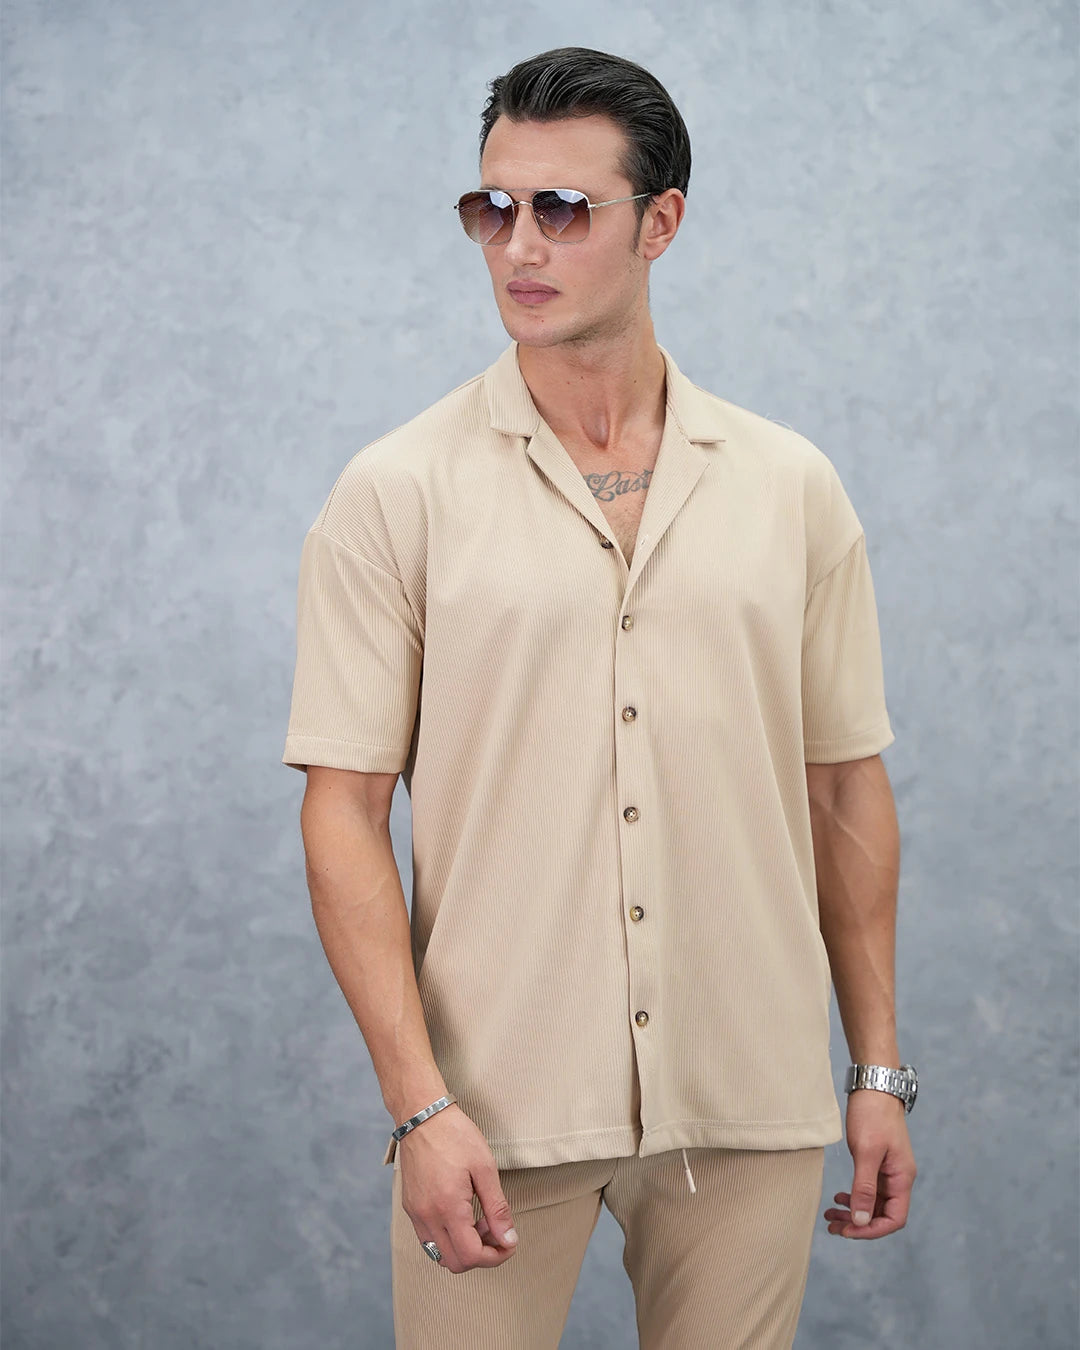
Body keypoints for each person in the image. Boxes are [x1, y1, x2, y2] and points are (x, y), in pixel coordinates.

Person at [282, 45, 918, 1350]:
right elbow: (342, 810)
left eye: (563, 209)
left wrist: (876, 1067)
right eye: (494, 207)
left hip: (747, 1093)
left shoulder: (791, 488)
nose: (519, 245)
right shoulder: (395, 493)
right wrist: (417, 1103)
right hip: (488, 1109)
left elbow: (844, 786)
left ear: (660, 222)